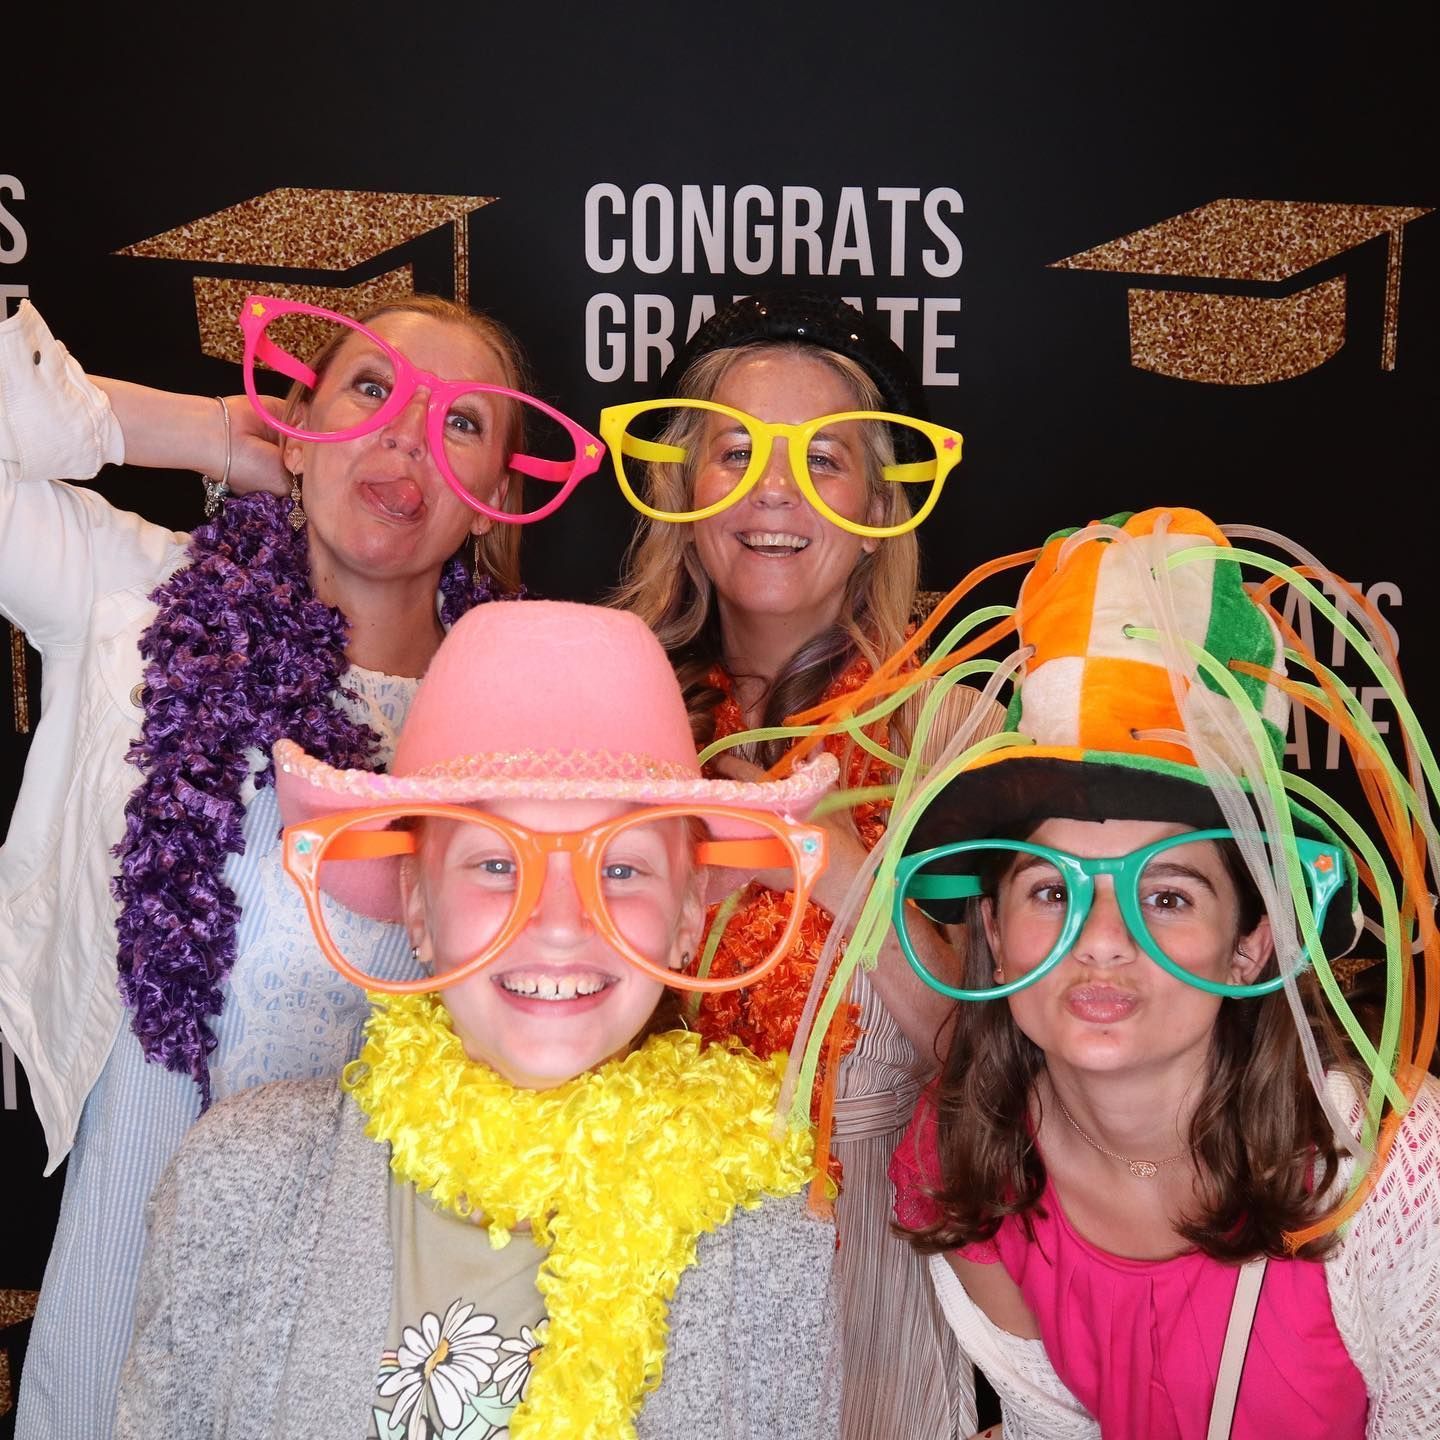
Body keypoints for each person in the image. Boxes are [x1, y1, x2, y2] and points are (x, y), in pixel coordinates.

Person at [0, 293, 601, 1437]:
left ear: (495, 498)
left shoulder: (529, 725)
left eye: (461, 423)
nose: (406, 440)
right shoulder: (143, 608)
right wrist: (213, 438)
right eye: (371, 392)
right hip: (138, 1211)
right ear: (303, 425)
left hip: (380, 1280)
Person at [114, 599, 841, 1439]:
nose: (562, 921)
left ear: (686, 917)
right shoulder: (238, 1180)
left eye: (623, 868)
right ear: (417, 905)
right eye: (497, 863)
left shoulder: (772, 1239)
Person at [872, 508, 1440, 1437]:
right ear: (993, 928)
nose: (1102, 940)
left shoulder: (1390, 1177)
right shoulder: (961, 1158)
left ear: (1251, 943)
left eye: (1168, 897)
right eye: (1052, 892)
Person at [607, 289, 998, 1438]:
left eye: (820, 459)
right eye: (734, 452)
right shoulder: (614, 713)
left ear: (879, 501)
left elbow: (992, 1052)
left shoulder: (954, 734)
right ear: (681, 490)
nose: (769, 490)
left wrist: (830, 868)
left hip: (869, 1283)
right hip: (639, 1280)